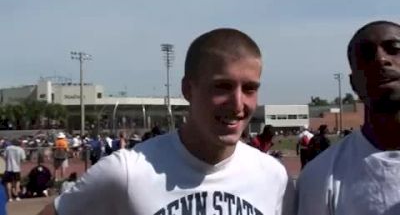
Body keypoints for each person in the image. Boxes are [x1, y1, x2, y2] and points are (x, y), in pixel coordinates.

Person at [39, 28, 289, 215]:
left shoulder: (273, 177)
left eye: (249, 89)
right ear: (188, 89)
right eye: (222, 86)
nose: (237, 103)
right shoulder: (126, 173)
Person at [296, 20, 400, 215]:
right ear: (353, 83)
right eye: (367, 55)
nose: (381, 59)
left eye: (394, 49)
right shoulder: (320, 175)